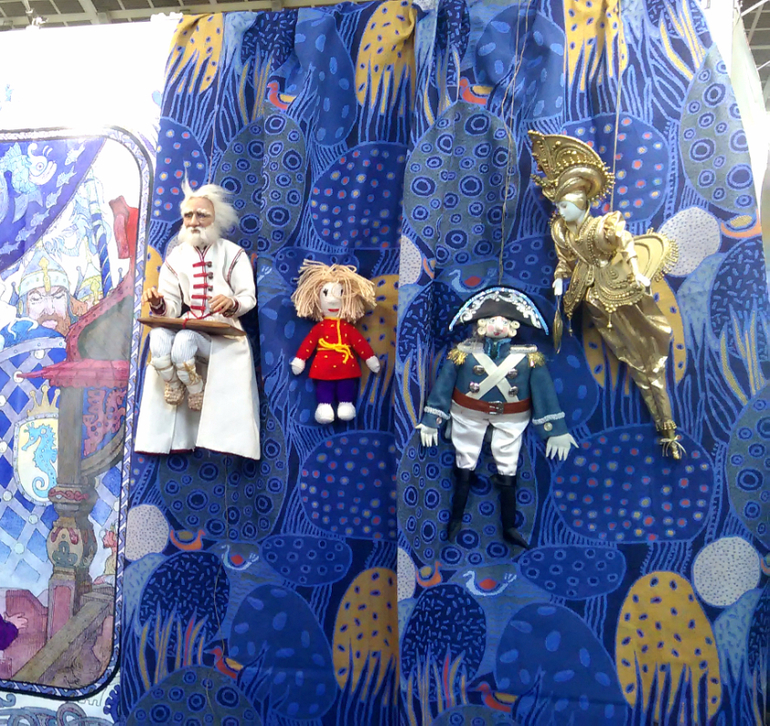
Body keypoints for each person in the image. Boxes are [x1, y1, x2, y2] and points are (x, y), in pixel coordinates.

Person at [529, 130, 683, 459]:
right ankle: (663, 423)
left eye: (565, 205)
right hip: (591, 297)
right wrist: (559, 279)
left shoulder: (602, 226)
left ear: (581, 202)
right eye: (558, 205)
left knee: (649, 358)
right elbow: (565, 262)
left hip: (619, 287)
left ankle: (667, 428)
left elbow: (625, 241)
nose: (561, 210)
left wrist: (637, 271)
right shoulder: (561, 231)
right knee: (629, 357)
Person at [417, 286, 576, 549]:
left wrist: (555, 430)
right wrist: (432, 420)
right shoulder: (463, 354)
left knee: (509, 465)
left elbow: (544, 393)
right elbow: (443, 388)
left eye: (503, 321)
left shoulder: (529, 358)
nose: (497, 325)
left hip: (511, 419)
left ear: (513, 328)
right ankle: (455, 519)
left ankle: (509, 526)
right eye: (491, 320)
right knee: (464, 462)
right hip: (467, 415)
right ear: (481, 326)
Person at [133, 183, 260, 460]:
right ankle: (173, 384)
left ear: (216, 218)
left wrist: (231, 303)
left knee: (184, 341)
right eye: (188, 215)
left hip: (224, 331)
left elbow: (247, 297)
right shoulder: (177, 257)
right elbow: (170, 307)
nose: (193, 221)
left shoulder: (232, 253)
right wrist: (158, 303)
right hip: (190, 321)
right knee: (158, 337)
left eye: (201, 215)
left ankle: (196, 392)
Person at [290, 260, 381, 424]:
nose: (332, 301)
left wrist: (369, 358)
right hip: (324, 366)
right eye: (326, 295)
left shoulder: (347, 328)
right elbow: (308, 344)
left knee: (346, 385)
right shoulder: (319, 328)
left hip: (345, 365)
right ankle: (324, 406)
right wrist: (300, 359)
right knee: (324, 386)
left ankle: (346, 404)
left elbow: (360, 343)